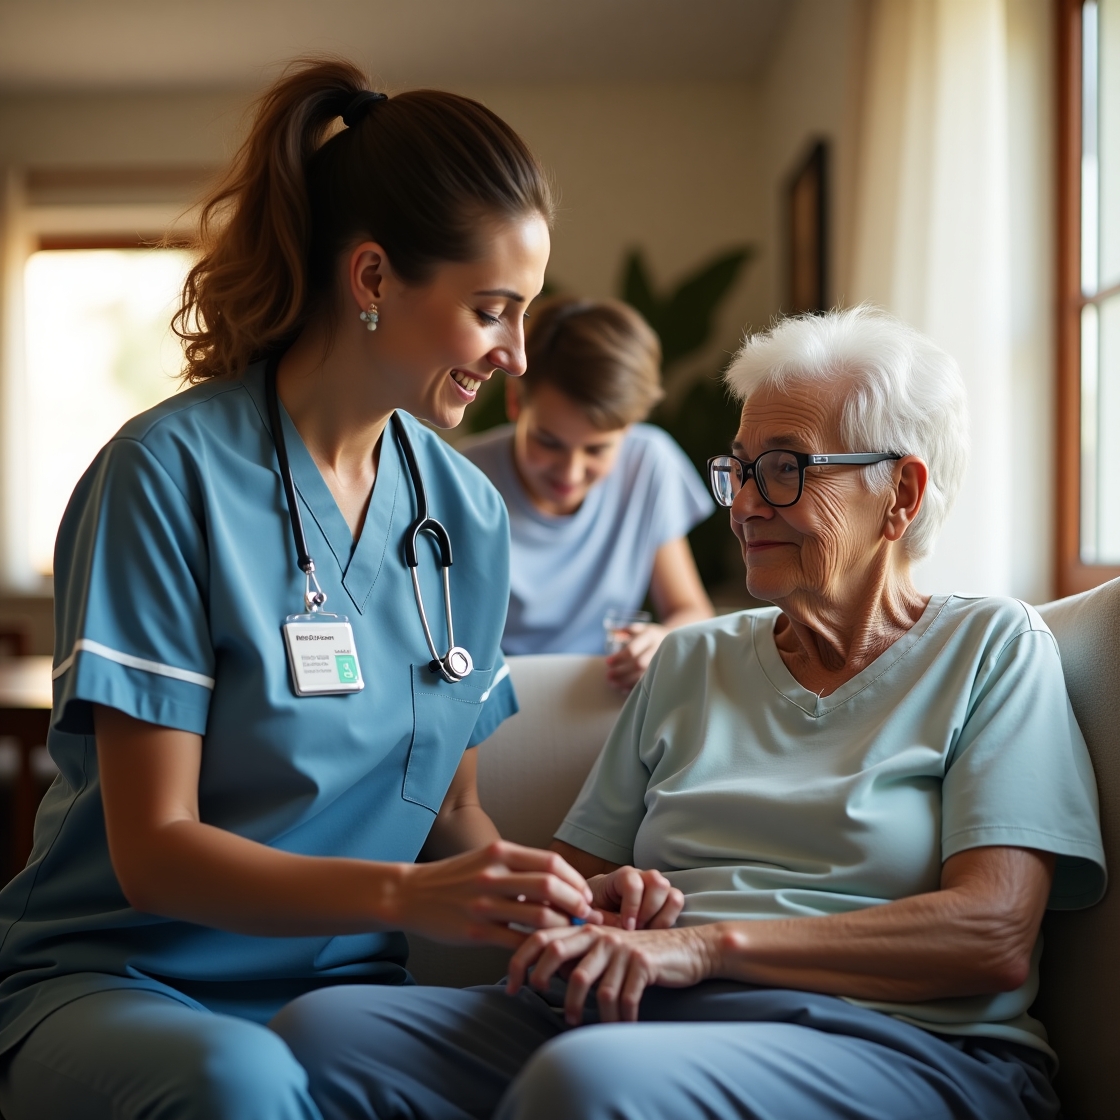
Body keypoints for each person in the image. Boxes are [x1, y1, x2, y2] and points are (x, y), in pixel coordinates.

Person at [0, 59, 670, 1120]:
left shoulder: (465, 513)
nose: (516, 353)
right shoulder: (169, 477)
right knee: (246, 1082)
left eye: (526, 313)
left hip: (350, 999)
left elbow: (454, 817)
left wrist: (563, 897)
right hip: (129, 981)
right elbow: (156, 854)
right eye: (493, 309)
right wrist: (408, 897)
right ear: (371, 279)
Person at [269, 307, 1106, 1120]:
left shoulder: (993, 647)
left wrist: (703, 945)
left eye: (784, 469)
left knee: (589, 1082)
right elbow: (570, 880)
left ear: (902, 494)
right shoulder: (693, 657)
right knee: (322, 1032)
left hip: (888, 1041)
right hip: (634, 1012)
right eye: (737, 470)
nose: (742, 505)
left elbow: (990, 933)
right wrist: (606, 900)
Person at [461, 297, 714, 690]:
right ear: (515, 401)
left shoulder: (648, 462)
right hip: (491, 700)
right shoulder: (460, 478)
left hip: (604, 697)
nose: (570, 472)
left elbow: (691, 610)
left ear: (629, 428)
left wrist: (664, 639)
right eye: (548, 441)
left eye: (597, 450)